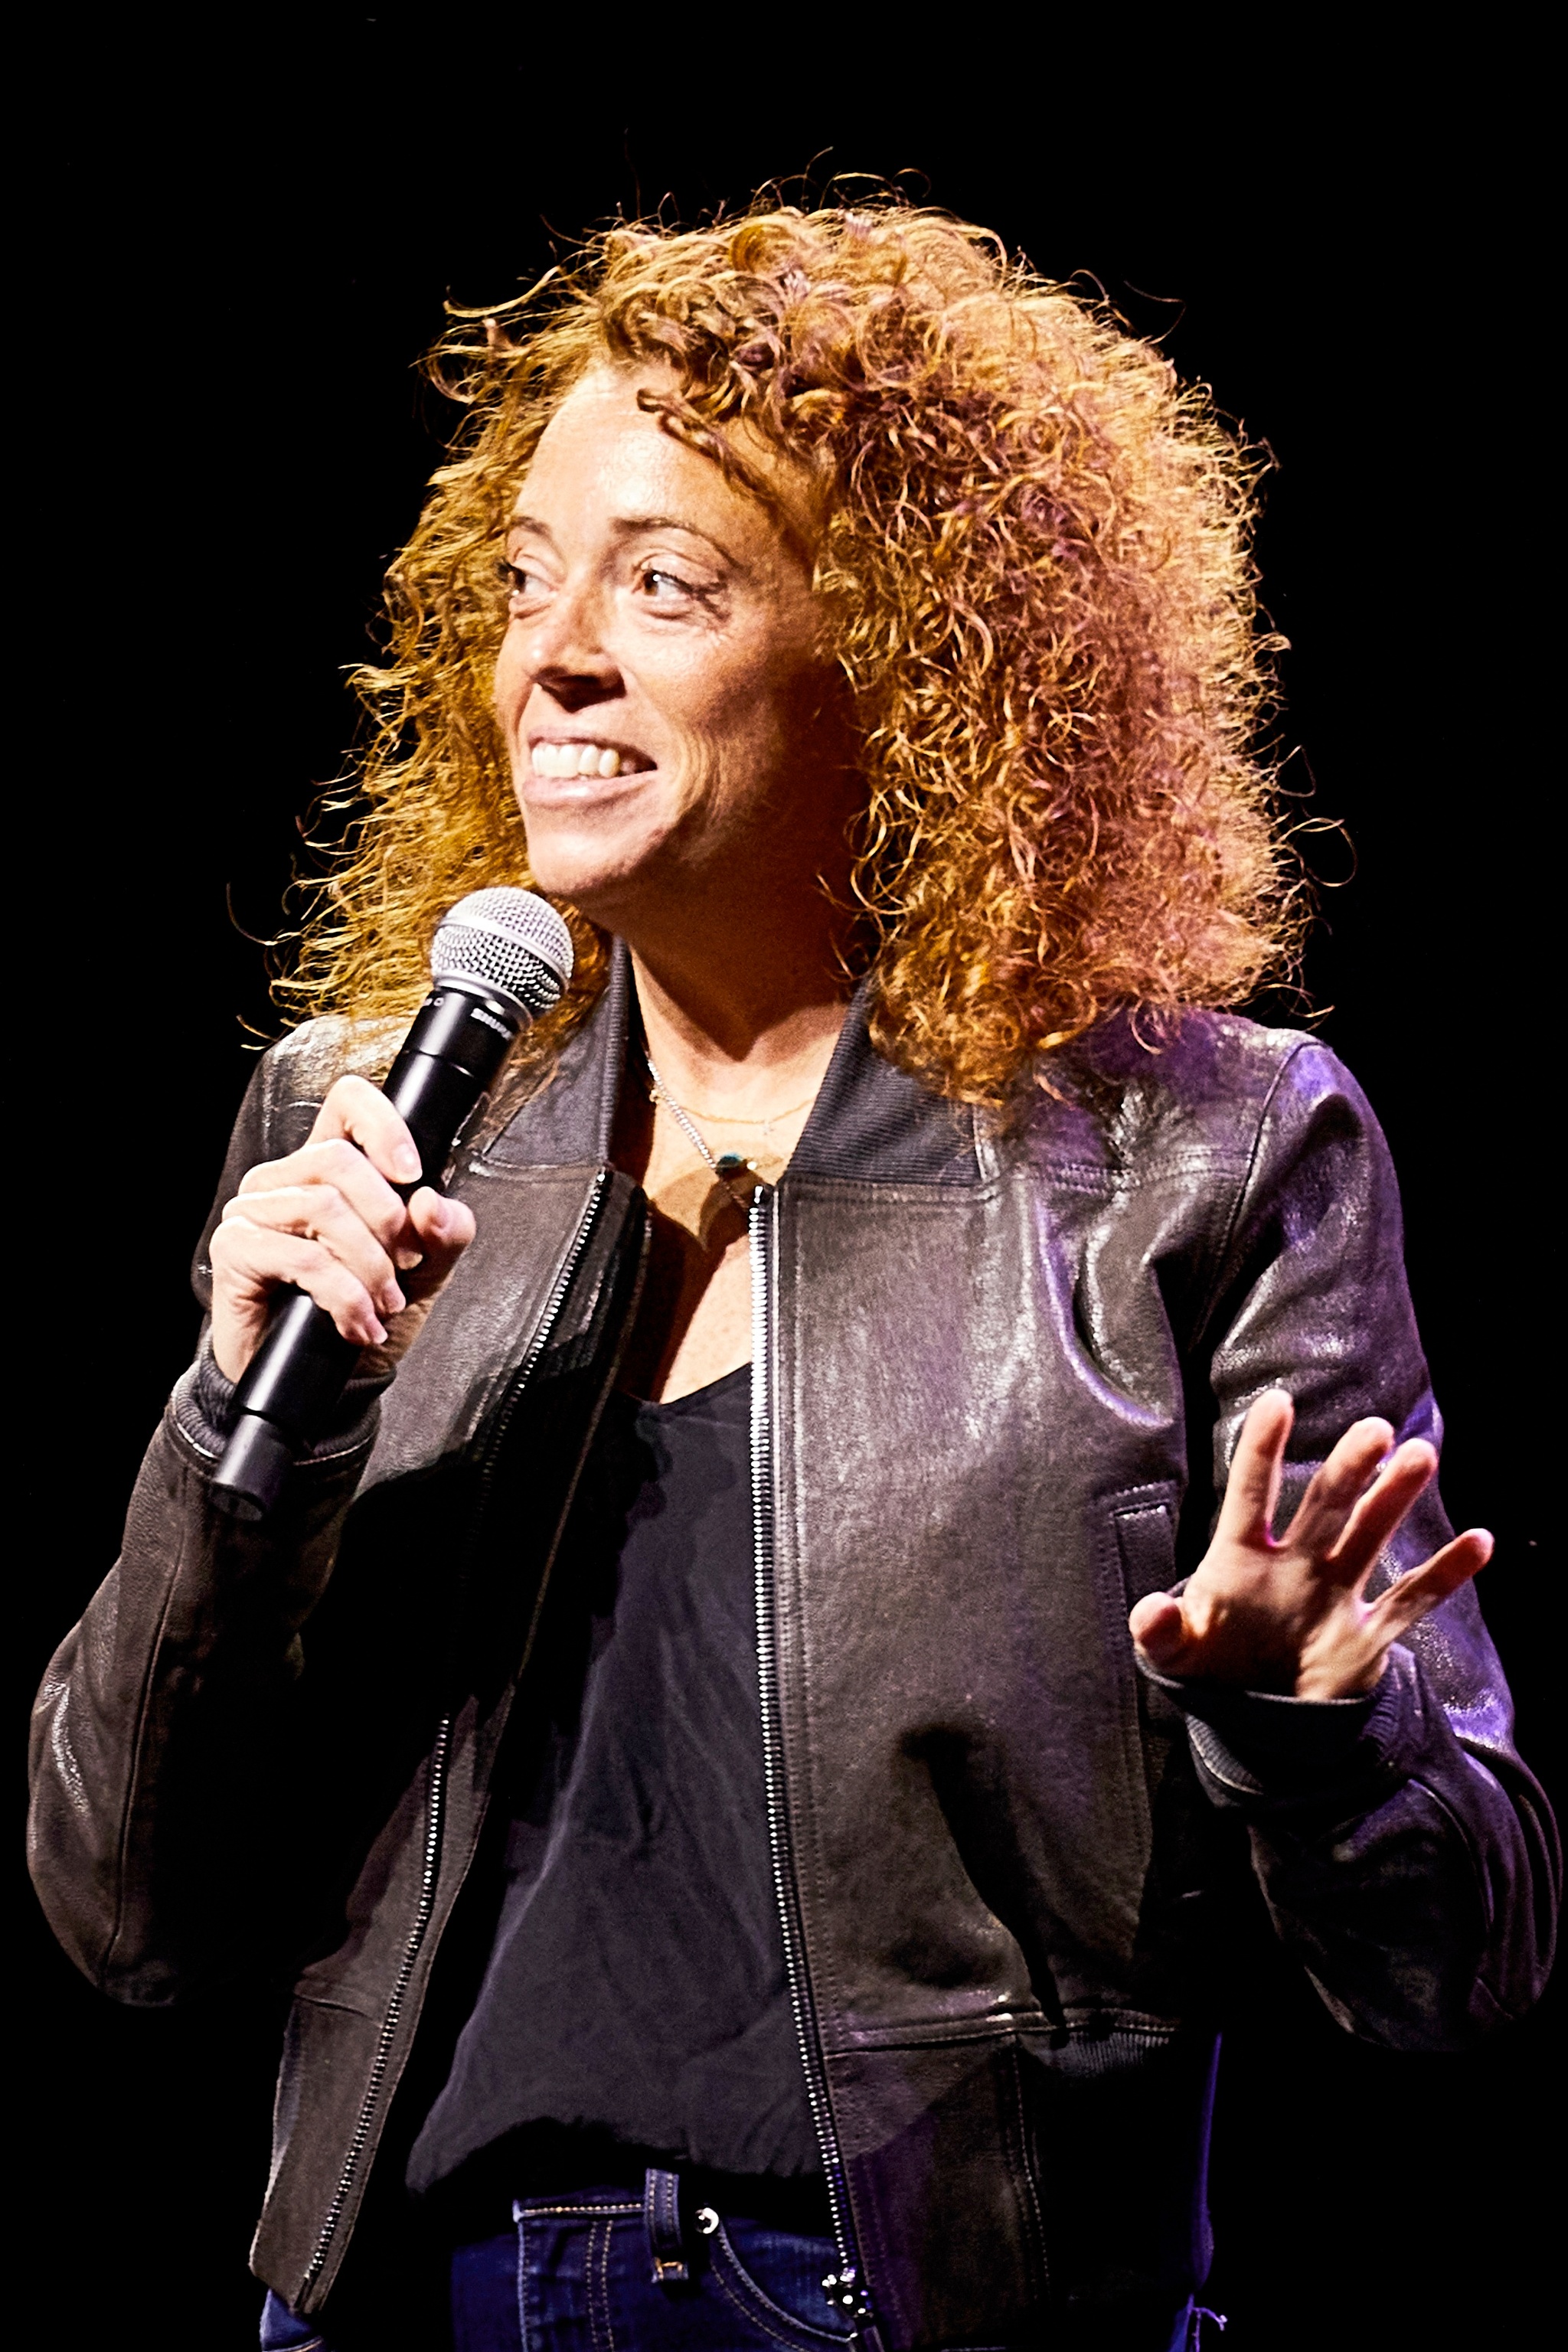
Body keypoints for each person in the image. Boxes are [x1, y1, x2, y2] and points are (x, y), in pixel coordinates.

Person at [28, 203, 1557, 2352]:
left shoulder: (1194, 1156)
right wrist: (237, 1448)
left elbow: (1455, 1960)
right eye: (525, 579)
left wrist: (1313, 1737)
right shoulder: (365, 1122)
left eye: (663, 584)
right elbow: (123, 1910)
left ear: (907, 659)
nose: (554, 653)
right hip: (400, 2301)